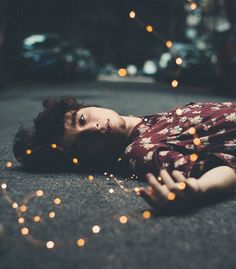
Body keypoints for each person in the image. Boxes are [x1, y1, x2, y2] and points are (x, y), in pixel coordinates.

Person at [13, 97, 236, 211]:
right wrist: (199, 189)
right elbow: (218, 167)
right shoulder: (141, 152)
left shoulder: (148, 121)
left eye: (82, 120)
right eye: (83, 144)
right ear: (88, 163)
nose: (94, 128)